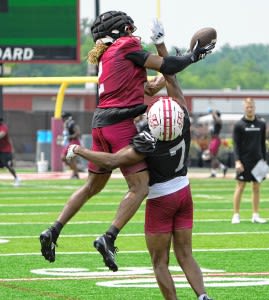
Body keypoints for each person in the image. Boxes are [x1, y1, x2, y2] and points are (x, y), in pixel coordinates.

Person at [39, 10, 214, 266]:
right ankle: (108, 237)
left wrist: (168, 65)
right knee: (140, 186)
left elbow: (148, 86)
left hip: (100, 123)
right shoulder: (126, 46)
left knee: (91, 187)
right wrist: (192, 56)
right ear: (124, 30)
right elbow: (167, 67)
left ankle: (53, 230)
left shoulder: (108, 57)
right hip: (119, 125)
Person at [66, 40, 213, 300]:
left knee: (160, 262)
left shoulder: (146, 141)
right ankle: (203, 297)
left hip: (160, 199)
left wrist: (80, 151)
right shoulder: (185, 122)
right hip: (184, 192)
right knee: (186, 254)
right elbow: (171, 80)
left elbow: (111, 162)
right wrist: (161, 46)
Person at [231, 98, 267, 224]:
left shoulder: (262, 124)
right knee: (240, 186)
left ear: (254, 107)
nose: (250, 109)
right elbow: (235, 145)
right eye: (247, 107)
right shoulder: (239, 125)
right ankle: (236, 215)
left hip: (258, 161)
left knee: (256, 187)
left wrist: (264, 160)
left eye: (251, 106)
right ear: (244, 108)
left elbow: (263, 144)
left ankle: (255, 215)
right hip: (244, 161)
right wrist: (237, 161)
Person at [0, 117, 20, 186]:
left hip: (5, 151)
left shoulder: (3, 127)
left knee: (8, 166)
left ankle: (16, 178)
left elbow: (1, 134)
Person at [207, 109, 228, 178]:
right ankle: (213, 173)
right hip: (213, 140)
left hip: (216, 140)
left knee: (212, 156)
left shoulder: (218, 121)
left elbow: (217, 119)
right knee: (213, 157)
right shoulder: (214, 122)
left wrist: (213, 113)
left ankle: (223, 167)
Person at [60, 112, 81, 179]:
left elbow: (77, 133)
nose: (63, 119)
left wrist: (69, 137)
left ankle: (75, 173)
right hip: (70, 142)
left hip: (74, 142)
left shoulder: (71, 123)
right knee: (64, 158)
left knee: (71, 159)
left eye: (63, 117)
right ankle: (75, 172)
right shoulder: (66, 124)